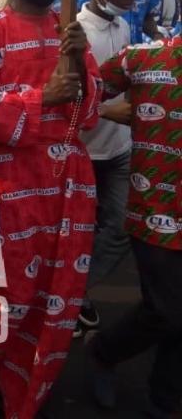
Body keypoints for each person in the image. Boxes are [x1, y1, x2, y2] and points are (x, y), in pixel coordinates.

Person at [0, 0, 102, 419]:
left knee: (56, 290)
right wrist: (40, 99)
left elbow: (87, 116)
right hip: (12, 186)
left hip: (68, 184)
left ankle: (31, 387)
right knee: (9, 296)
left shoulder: (69, 32)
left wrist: (81, 69)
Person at [87, 28, 182, 419]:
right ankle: (104, 350)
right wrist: (107, 110)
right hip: (157, 208)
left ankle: (164, 400)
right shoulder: (143, 59)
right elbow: (82, 93)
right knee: (168, 311)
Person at [74, 0, 136, 338]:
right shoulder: (75, 33)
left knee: (121, 227)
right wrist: (106, 110)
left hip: (119, 149)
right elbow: (62, 97)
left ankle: (77, 291)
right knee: (79, 234)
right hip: (84, 151)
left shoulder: (124, 26)